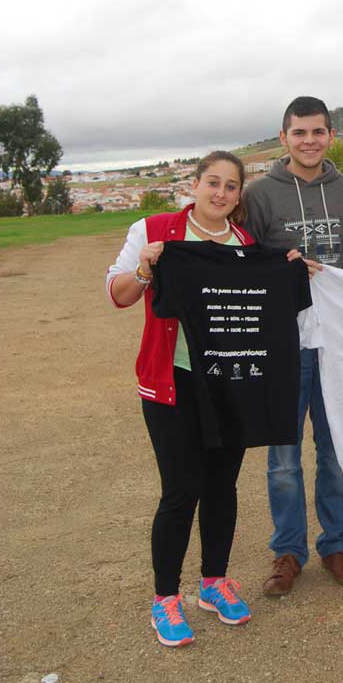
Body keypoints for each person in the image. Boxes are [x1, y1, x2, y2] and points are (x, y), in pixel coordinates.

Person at [106, 151, 255, 647]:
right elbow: (119, 294)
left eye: (231, 186)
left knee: (222, 485)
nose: (221, 194)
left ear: (239, 195)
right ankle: (165, 598)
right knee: (180, 488)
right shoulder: (154, 229)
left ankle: (214, 582)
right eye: (213, 182)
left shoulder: (245, 244)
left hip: (226, 384)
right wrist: (147, 267)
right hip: (171, 380)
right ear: (195, 183)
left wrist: (287, 270)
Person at [243, 96, 343, 595]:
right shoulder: (259, 193)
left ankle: (335, 543)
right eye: (299, 132)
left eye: (318, 132)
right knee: (284, 456)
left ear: (330, 135)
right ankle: (287, 551)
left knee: (337, 452)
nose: (309, 141)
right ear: (283, 136)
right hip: (284, 340)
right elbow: (242, 261)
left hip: (336, 338)